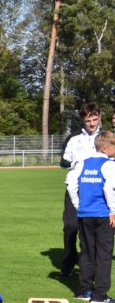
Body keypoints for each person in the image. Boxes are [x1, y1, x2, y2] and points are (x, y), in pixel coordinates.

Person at [66, 130, 115, 303]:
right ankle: (100, 295)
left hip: (84, 214)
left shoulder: (82, 163)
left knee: (86, 253)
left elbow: (71, 186)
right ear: (105, 148)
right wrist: (113, 211)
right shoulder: (109, 165)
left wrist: (78, 205)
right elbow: (109, 189)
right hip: (103, 215)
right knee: (104, 255)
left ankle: (83, 290)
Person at [60, 103, 103, 276]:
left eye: (95, 119)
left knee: (92, 229)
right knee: (71, 226)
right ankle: (69, 261)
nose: (92, 124)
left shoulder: (106, 137)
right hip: (75, 188)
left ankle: (90, 266)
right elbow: (63, 162)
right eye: (88, 120)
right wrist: (77, 164)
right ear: (82, 120)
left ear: (100, 117)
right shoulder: (73, 138)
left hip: (98, 190)